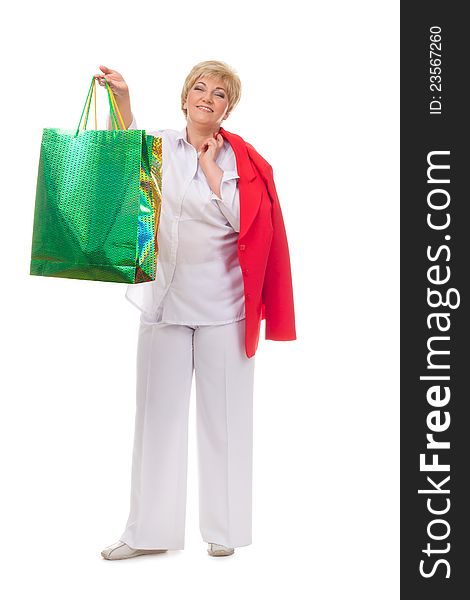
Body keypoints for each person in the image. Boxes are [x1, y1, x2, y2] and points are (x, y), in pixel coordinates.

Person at [97, 61, 296, 560]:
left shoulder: (239, 161)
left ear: (229, 107)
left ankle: (223, 531)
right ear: (185, 97)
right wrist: (122, 98)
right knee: (156, 418)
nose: (209, 97)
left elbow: (246, 223)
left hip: (224, 306)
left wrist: (211, 172)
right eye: (200, 88)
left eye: (220, 93)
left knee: (225, 418)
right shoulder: (162, 144)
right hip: (164, 301)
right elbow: (122, 157)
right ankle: (147, 534)